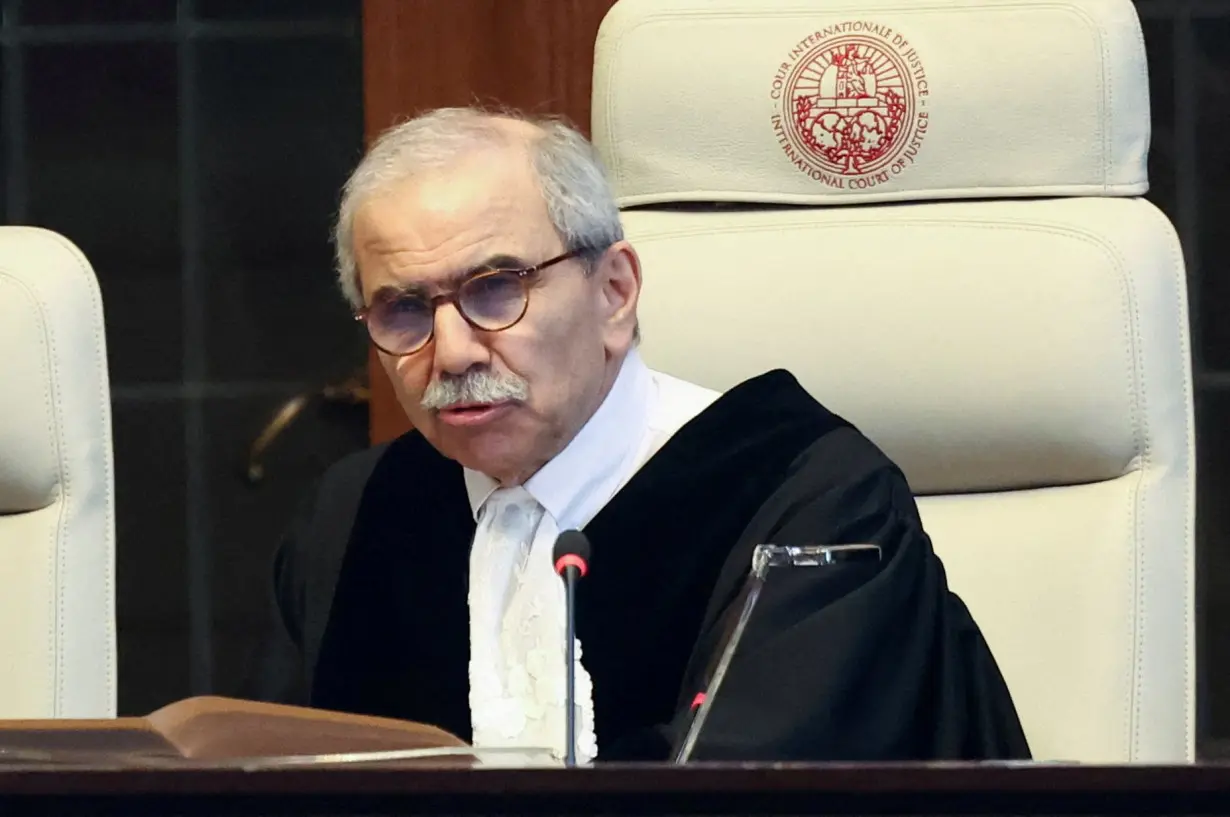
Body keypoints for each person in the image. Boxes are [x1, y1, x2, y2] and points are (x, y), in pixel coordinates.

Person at [241, 106, 1030, 763]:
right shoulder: (350, 518)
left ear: (614, 292)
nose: (450, 351)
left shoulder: (811, 499)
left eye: (495, 289)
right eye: (404, 310)